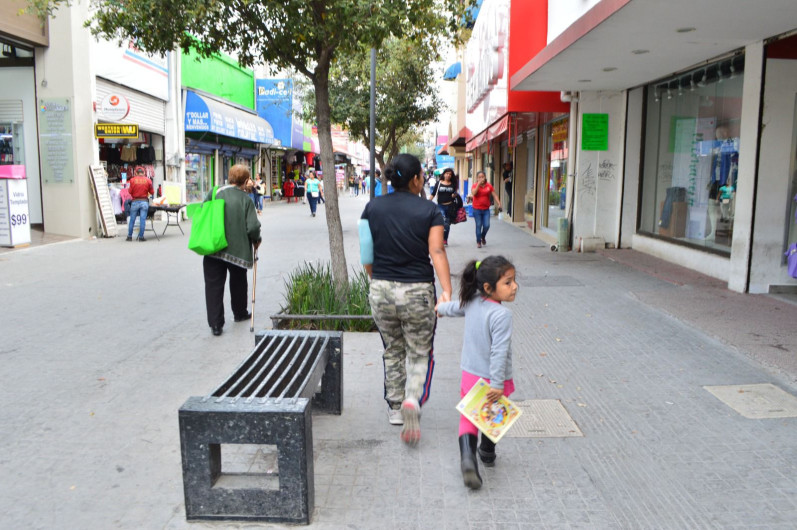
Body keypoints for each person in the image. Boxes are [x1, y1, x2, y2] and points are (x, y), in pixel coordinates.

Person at [358, 153, 453, 446]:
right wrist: (447, 291)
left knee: (393, 349)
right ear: (415, 179)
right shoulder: (430, 210)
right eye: (421, 175)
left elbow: (366, 255)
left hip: (381, 289)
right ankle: (413, 397)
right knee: (420, 351)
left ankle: (396, 407)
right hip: (418, 291)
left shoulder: (371, 207)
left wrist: (378, 280)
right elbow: (437, 251)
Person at [435, 255, 517, 490]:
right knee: (494, 415)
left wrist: (440, 308)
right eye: (508, 282)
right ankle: (487, 451)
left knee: (469, 417)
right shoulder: (502, 315)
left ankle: (468, 459)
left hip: (470, 375)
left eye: (513, 281)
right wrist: (497, 384)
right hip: (493, 378)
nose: (514, 287)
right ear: (489, 287)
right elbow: (499, 351)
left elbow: (455, 307)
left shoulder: (473, 301)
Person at [202, 164, 262, 336]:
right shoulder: (245, 200)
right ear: (246, 180)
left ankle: (216, 325)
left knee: (213, 286)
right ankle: (240, 313)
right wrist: (257, 240)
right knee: (238, 282)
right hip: (237, 249)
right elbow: (253, 227)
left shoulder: (214, 192)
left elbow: (203, 211)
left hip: (213, 246)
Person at [468, 171, 502, 248]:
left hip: (486, 209)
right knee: (478, 225)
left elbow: (494, 195)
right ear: (477, 178)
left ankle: (483, 236)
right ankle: (478, 241)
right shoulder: (474, 185)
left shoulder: (489, 186)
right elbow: (473, 193)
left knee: (487, 225)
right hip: (476, 209)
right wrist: (478, 184)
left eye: (482, 177)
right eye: (479, 177)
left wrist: (499, 203)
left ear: (485, 177)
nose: (481, 178)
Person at [428, 167, 459, 246]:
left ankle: (445, 239)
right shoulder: (439, 183)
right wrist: (427, 203)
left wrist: (454, 195)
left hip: (450, 206)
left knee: (447, 224)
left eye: (450, 174)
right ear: (444, 174)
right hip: (440, 206)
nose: (448, 175)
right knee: (443, 223)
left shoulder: (453, 184)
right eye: (447, 173)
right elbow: (433, 193)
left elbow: (455, 193)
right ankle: (440, 238)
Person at [126, 166, 153, 241]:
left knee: (132, 219)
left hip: (135, 202)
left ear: (136, 173)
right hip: (144, 202)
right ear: (143, 172)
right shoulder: (148, 180)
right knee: (142, 220)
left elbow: (130, 191)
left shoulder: (132, 180)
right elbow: (152, 192)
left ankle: (129, 236)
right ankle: (141, 237)